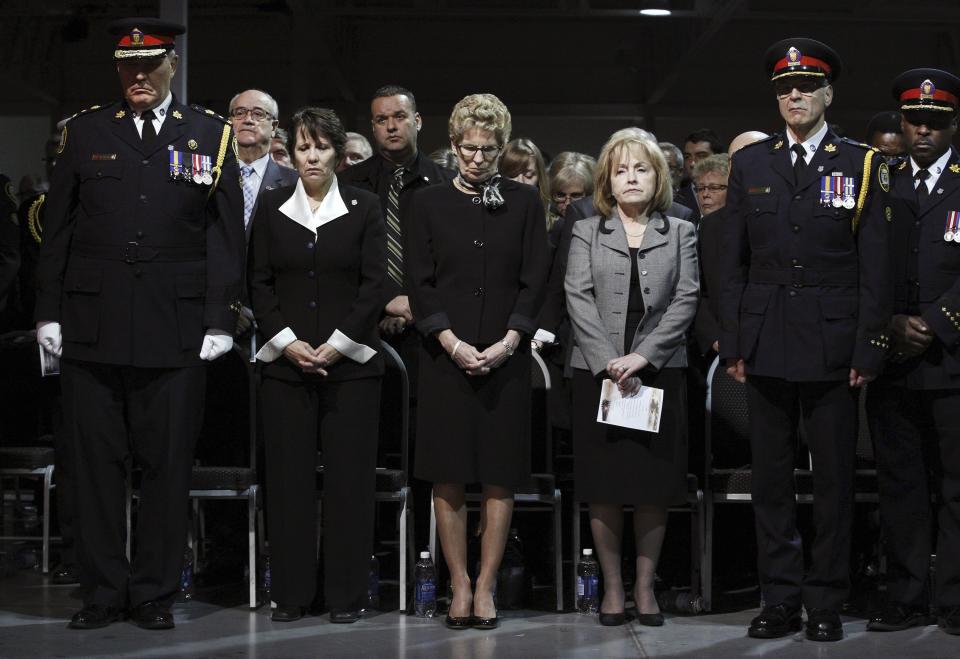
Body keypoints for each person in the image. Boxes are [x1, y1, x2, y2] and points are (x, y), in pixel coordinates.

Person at [34, 17, 244, 630]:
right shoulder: (87, 131)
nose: (138, 76)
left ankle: (153, 591)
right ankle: (102, 591)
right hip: (92, 324)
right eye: (128, 65)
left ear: (172, 65)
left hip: (175, 326)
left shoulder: (210, 133)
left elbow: (223, 238)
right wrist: (49, 310)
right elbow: (60, 231)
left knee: (167, 464)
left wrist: (218, 317)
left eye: (150, 64)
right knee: (94, 466)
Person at [718, 38, 891, 642]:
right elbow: (732, 265)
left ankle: (825, 601)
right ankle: (780, 600)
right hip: (765, 344)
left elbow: (876, 268)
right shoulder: (753, 163)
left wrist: (869, 348)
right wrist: (735, 342)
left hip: (834, 345)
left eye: (806, 86)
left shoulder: (861, 162)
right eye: (785, 88)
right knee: (770, 483)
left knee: (833, 484)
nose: (794, 95)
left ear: (827, 94)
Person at [405, 93, 549, 630]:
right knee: (447, 476)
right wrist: (451, 343)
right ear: (453, 143)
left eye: (487, 150)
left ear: (502, 146)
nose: (476, 159)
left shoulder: (526, 202)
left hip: (505, 358)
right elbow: (419, 283)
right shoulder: (427, 203)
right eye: (467, 149)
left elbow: (536, 281)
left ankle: (487, 586)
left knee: (498, 477)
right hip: (446, 358)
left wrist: (511, 342)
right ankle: (458, 585)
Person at [248, 107, 386, 623]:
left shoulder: (365, 206)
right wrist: (287, 342)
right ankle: (292, 594)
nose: (311, 156)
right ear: (293, 152)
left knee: (349, 483)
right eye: (303, 147)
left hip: (351, 368)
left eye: (321, 147)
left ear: (336, 153)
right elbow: (257, 283)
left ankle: (346, 596)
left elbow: (376, 285)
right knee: (288, 484)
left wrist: (337, 344)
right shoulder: (270, 207)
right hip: (285, 368)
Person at [564, 128, 698, 627]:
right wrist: (608, 361)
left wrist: (641, 357)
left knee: (651, 486)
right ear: (607, 180)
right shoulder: (585, 230)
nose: (631, 177)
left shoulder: (681, 229)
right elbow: (577, 298)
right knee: (604, 484)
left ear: (658, 176)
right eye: (621, 170)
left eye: (641, 168)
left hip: (658, 373)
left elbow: (686, 300)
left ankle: (646, 588)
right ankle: (613, 589)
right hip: (597, 375)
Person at [865, 68, 960, 636]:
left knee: (956, 486)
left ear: (953, 125)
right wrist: (893, 322)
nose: (924, 130)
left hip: (953, 357)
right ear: (902, 123)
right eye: (915, 120)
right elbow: (863, 266)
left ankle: (952, 598)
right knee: (899, 485)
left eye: (936, 121)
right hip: (893, 356)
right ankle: (903, 594)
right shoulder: (883, 180)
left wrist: (941, 321)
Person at [691, 154, 730, 359]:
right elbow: (696, 291)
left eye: (715, 188)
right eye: (700, 188)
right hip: (706, 344)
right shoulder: (694, 227)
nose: (705, 194)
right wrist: (712, 336)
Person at [499, 138, 551, 228]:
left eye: (528, 175)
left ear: (540, 178)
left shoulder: (556, 227)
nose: (520, 181)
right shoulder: (485, 219)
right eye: (512, 175)